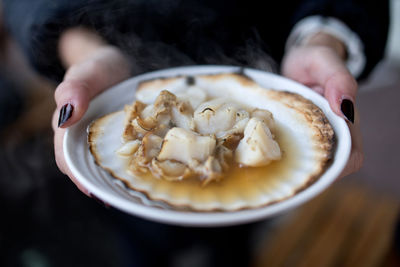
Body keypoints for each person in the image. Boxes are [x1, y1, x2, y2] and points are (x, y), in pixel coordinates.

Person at [2, 0, 389, 266]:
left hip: (272, 67)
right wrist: (84, 51)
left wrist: (323, 39)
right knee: (134, 244)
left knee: (234, 241)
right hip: (114, 80)